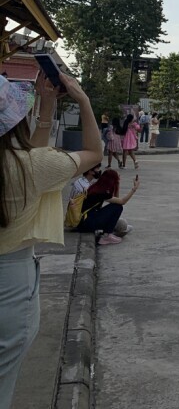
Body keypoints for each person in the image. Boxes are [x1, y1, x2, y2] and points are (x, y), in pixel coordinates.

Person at [0, 73, 103, 407]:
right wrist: (82, 100)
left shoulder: (29, 164)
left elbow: (32, 154)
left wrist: (46, 106)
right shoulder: (31, 167)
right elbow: (93, 151)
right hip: (10, 282)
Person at [76, 170, 140, 244]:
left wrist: (117, 184)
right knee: (118, 208)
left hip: (85, 221)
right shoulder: (101, 193)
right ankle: (106, 236)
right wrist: (134, 189)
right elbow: (122, 202)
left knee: (117, 210)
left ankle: (109, 233)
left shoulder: (97, 187)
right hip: (87, 223)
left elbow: (117, 199)